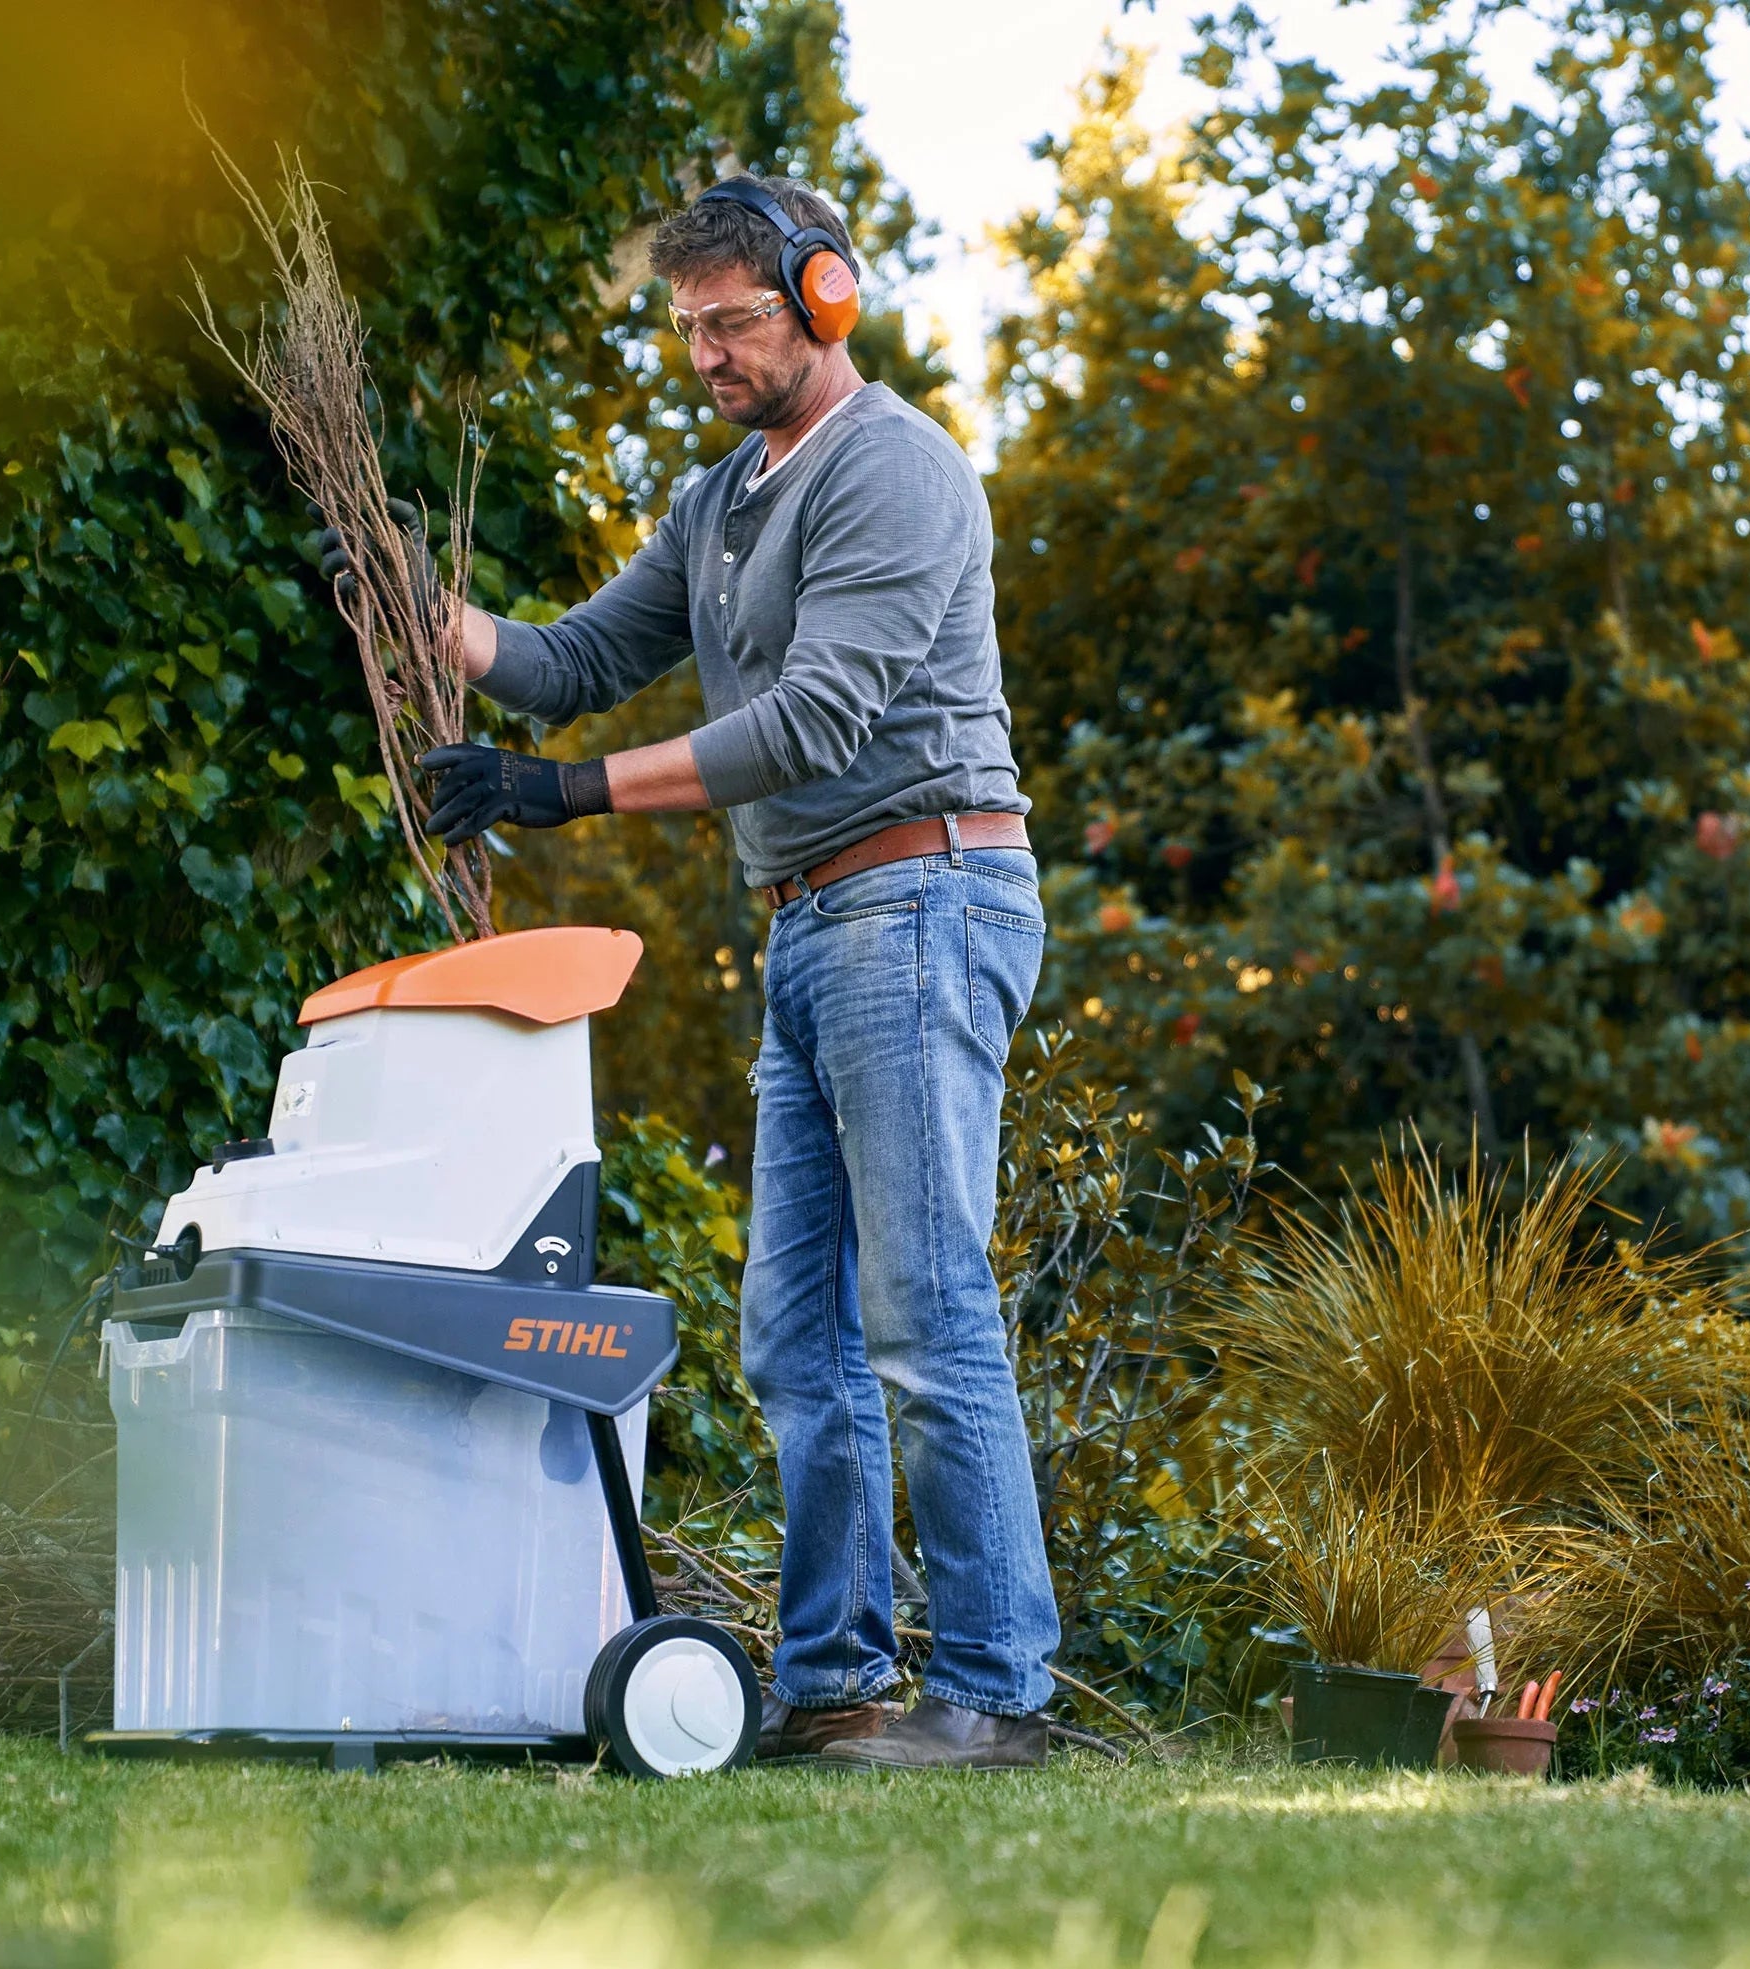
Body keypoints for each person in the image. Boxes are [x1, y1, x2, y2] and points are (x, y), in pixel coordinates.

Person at [323, 174, 1057, 1770]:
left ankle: (995, 1697)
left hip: (923, 894)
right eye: (688, 327)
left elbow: (812, 723)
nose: (708, 352)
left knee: (922, 1315)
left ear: (825, 295)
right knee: (794, 1333)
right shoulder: (721, 500)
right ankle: (839, 1683)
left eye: (733, 319)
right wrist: (411, 596)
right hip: (809, 919)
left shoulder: (894, 474)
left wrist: (561, 791)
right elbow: (574, 656)